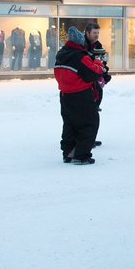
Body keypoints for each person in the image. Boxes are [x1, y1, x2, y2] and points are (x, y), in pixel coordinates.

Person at [54, 26, 105, 165]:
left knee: (69, 124)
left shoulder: (61, 54)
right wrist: (99, 64)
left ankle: (68, 153)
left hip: (65, 95)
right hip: (81, 95)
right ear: (80, 42)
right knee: (89, 123)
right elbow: (93, 73)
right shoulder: (80, 56)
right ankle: (81, 155)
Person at [84, 21, 112, 147]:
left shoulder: (98, 45)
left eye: (98, 33)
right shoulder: (83, 46)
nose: (96, 35)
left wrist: (105, 74)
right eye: (94, 33)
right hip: (86, 82)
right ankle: (86, 139)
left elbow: (102, 62)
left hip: (97, 82)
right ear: (87, 32)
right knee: (88, 112)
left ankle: (90, 138)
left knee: (94, 112)